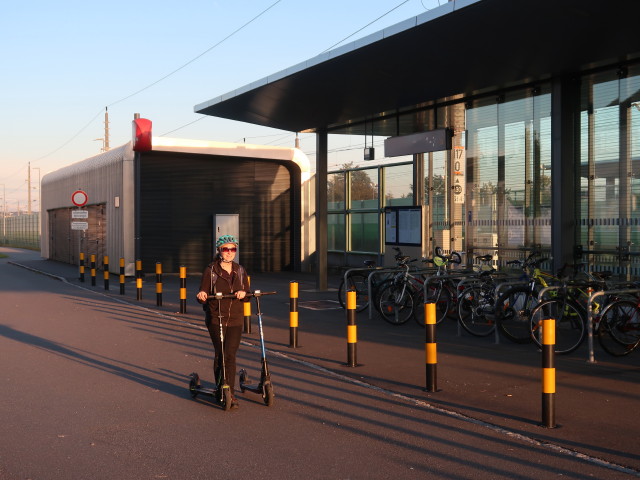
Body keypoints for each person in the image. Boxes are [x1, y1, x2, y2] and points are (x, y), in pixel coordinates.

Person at [196, 234, 249, 409]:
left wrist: (243, 294)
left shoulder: (240, 270)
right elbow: (202, 293)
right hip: (216, 317)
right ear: (219, 250)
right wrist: (202, 295)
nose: (229, 252)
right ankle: (221, 387)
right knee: (220, 354)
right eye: (226, 249)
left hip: (235, 318)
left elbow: (247, 296)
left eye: (233, 249)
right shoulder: (211, 270)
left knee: (230, 354)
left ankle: (230, 392)